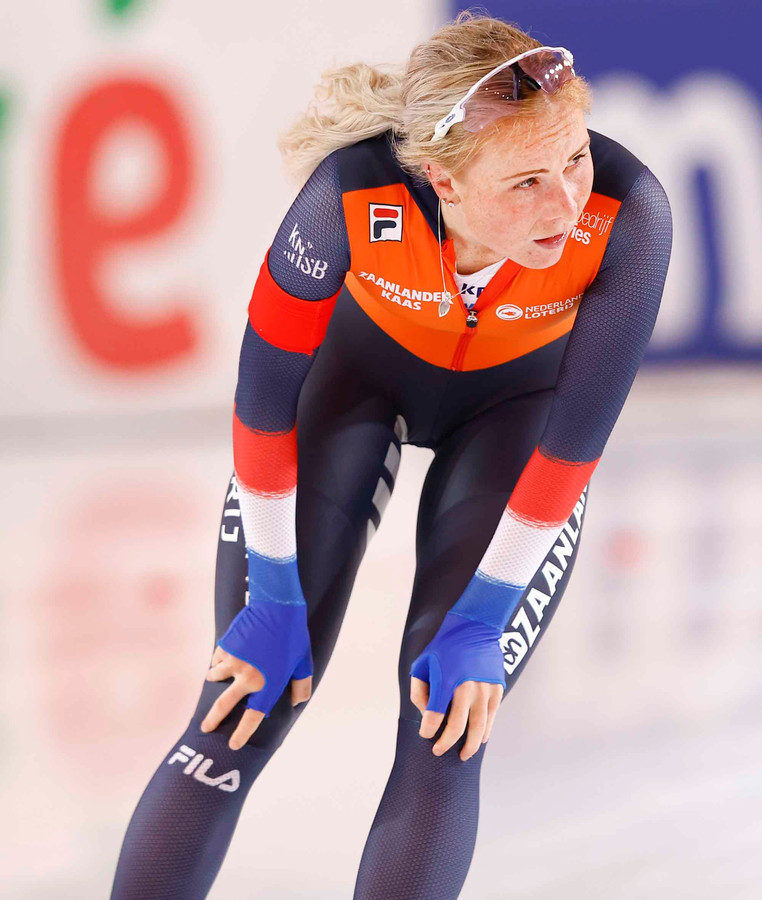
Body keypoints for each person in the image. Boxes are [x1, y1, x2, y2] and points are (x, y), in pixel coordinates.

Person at [110, 12, 672, 899]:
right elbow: (262, 408)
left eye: (573, 160)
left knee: (448, 729)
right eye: (525, 181)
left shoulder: (630, 217)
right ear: (442, 180)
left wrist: (483, 615)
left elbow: (573, 448)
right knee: (238, 710)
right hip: (353, 390)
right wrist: (276, 591)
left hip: (516, 417)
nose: (565, 204)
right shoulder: (348, 197)